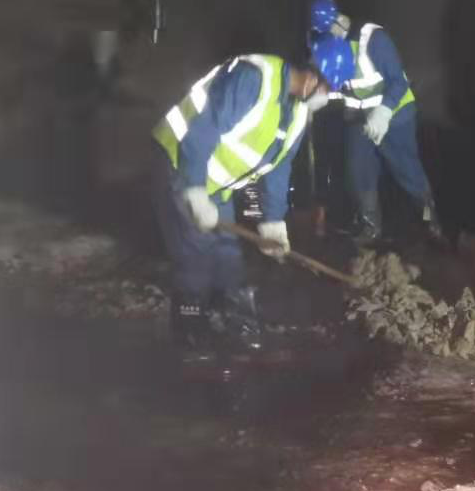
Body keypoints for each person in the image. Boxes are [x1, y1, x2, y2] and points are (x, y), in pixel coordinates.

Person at [151, 37, 352, 351]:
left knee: (228, 252)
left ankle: (240, 322)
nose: (328, 98)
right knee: (196, 252)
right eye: (329, 90)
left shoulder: (298, 113)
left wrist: (273, 222)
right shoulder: (253, 79)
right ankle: (190, 331)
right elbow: (201, 131)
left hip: (218, 185)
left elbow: (279, 167)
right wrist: (195, 189)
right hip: (181, 164)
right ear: (313, 77)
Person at [309, 0, 442, 244]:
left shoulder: (373, 40)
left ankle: (431, 221)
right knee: (358, 171)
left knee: (407, 171)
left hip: (395, 115)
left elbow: (399, 82)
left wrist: (383, 112)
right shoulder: (326, 50)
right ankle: (370, 227)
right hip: (359, 118)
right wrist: (319, 97)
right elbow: (340, 87)